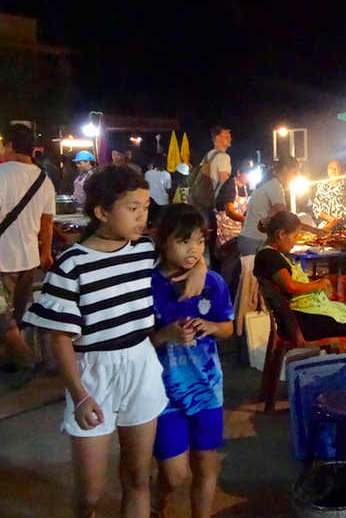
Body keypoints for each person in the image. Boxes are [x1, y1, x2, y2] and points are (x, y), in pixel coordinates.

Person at [23, 166, 207, 518]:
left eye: (145, 208)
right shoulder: (72, 264)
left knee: (138, 477)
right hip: (93, 372)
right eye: (132, 208)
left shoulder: (144, 251)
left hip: (140, 364)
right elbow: (59, 337)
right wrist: (79, 394)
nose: (142, 217)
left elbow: (188, 257)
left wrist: (199, 269)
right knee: (90, 493)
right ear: (102, 212)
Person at [150, 205, 234, 518]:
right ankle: (158, 499)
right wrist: (165, 335)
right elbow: (135, 343)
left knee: (205, 462)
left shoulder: (213, 282)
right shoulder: (147, 285)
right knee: (174, 474)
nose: (193, 249)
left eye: (199, 241)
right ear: (162, 241)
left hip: (208, 390)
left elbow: (228, 327)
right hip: (163, 395)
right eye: (184, 241)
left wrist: (213, 327)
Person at [253, 211, 346, 354]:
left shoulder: (270, 254)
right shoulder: (269, 257)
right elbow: (291, 286)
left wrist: (314, 282)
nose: (295, 242)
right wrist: (317, 285)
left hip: (298, 316)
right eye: (294, 237)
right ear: (282, 234)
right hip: (300, 320)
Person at [0, 123, 54, 386]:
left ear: (9, 145)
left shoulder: (1, 174)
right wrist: (45, 253)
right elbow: (47, 223)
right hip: (29, 259)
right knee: (17, 316)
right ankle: (10, 360)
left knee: (2, 316)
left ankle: (28, 360)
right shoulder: (44, 179)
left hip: (2, 259)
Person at [238, 155, 300, 257]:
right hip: (255, 240)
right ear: (285, 169)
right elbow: (285, 217)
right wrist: (312, 230)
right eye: (294, 172)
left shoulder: (269, 183)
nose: (296, 176)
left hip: (249, 238)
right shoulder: (274, 185)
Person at [312, 160, 346, 301]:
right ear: (327, 169)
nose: (333, 170)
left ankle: (344, 295)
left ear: (340, 169)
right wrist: (329, 219)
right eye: (331, 167)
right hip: (327, 229)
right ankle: (335, 292)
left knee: (344, 261)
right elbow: (316, 207)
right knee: (332, 262)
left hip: (342, 228)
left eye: (336, 168)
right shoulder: (321, 185)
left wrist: (336, 220)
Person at [214, 159, 250, 286]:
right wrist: (245, 219)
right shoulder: (229, 185)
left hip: (237, 227)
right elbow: (229, 211)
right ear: (239, 173)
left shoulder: (245, 187)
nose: (249, 177)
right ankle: (224, 286)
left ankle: (233, 286)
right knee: (229, 259)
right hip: (225, 227)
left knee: (236, 258)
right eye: (247, 174)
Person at [203, 126, 232, 194]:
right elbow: (224, 182)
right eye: (226, 137)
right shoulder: (223, 157)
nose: (230, 139)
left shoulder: (208, 155)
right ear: (217, 138)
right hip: (216, 197)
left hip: (206, 195)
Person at [144, 154, 171, 224]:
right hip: (163, 201)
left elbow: (146, 186)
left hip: (151, 200)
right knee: (161, 222)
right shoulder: (167, 174)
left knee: (151, 221)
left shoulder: (148, 173)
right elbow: (168, 189)